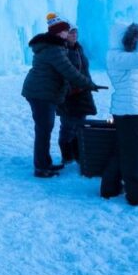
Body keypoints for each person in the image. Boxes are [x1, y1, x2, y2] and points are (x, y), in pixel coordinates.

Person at [22, 13, 99, 178]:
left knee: (44, 129)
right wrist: (88, 84)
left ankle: (45, 163)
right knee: (43, 130)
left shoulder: (55, 46)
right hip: (41, 93)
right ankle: (41, 167)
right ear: (59, 32)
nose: (68, 33)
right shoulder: (54, 49)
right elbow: (69, 71)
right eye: (65, 31)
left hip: (42, 92)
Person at [102, 22, 138, 206]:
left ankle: (109, 188)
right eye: (132, 38)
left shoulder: (123, 56)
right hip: (131, 110)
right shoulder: (117, 56)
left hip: (132, 108)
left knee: (122, 151)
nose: (135, 41)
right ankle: (136, 196)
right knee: (134, 155)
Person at [57, 27, 97, 165]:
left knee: (80, 125)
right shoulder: (61, 50)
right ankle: (67, 156)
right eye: (70, 32)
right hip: (68, 95)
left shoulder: (78, 49)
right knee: (68, 126)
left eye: (75, 32)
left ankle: (78, 154)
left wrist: (88, 84)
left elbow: (83, 70)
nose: (73, 35)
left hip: (82, 93)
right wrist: (69, 89)